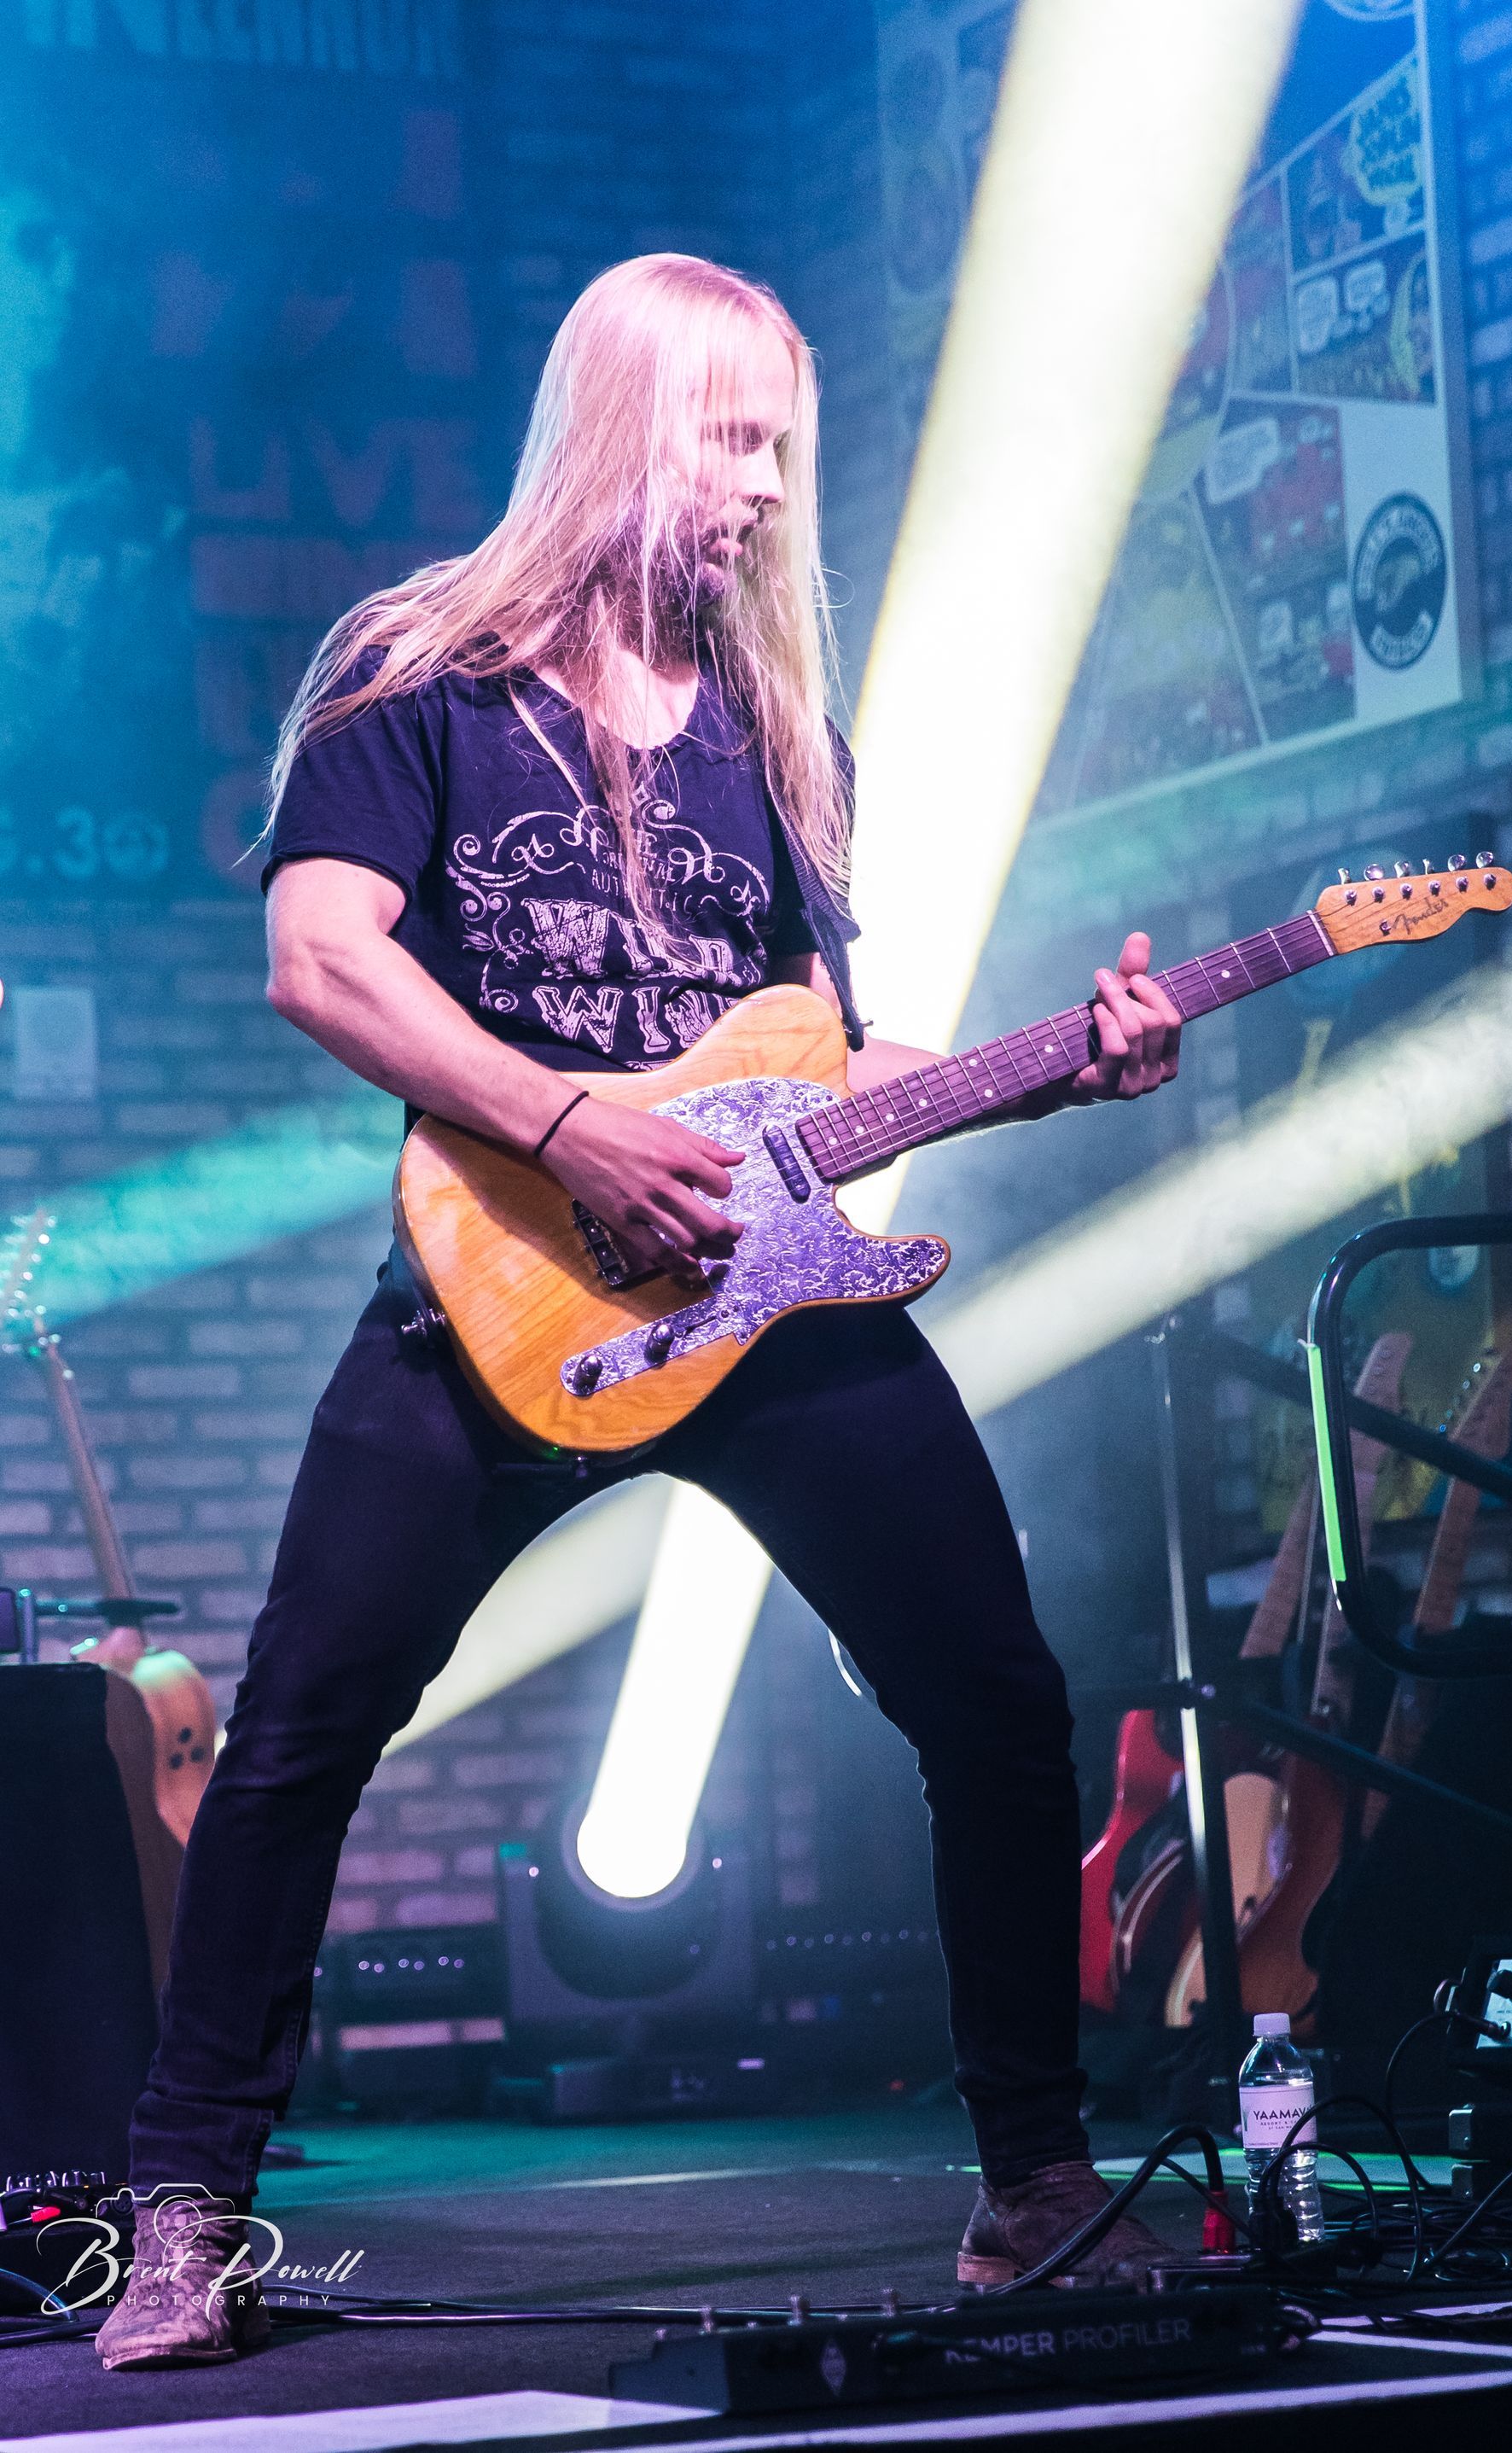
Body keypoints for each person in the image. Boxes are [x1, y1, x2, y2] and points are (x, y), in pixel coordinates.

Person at [96, 253, 1182, 2368]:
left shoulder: (787, 746)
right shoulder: (418, 674)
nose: (770, 487)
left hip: (769, 1310)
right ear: (622, 422)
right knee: (300, 1732)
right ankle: (185, 2217)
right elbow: (323, 962)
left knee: (997, 1699)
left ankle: (1035, 2186)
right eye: (733, 437)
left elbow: (830, 1071)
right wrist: (569, 1127)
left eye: (786, 445)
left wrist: (1071, 1057)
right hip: (499, 1298)